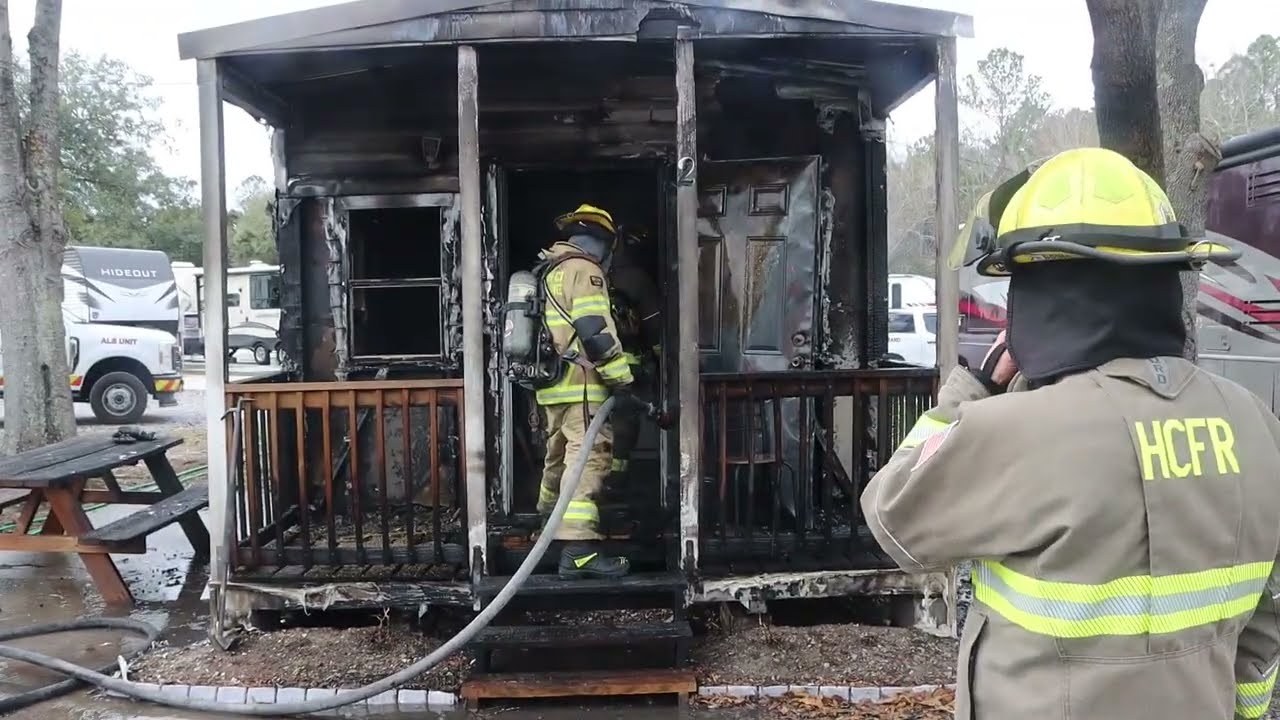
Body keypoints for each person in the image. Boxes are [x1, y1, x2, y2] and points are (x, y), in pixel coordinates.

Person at [859, 147, 1280, 720]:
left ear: (1041, 295)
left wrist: (971, 391)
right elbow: (1264, 618)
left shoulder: (1016, 432)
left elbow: (892, 516)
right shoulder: (1255, 423)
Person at [534, 203, 633, 580]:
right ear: (604, 243)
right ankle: (578, 551)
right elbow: (595, 332)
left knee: (557, 458)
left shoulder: (549, 271)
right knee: (587, 461)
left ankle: (547, 528)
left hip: (551, 386)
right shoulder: (585, 271)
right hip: (582, 387)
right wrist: (621, 378)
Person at [601, 226, 663, 502]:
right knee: (624, 422)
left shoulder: (586, 276)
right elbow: (654, 326)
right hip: (628, 365)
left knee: (592, 423)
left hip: (587, 368)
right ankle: (617, 477)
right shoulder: (637, 279)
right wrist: (662, 361)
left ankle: (597, 478)